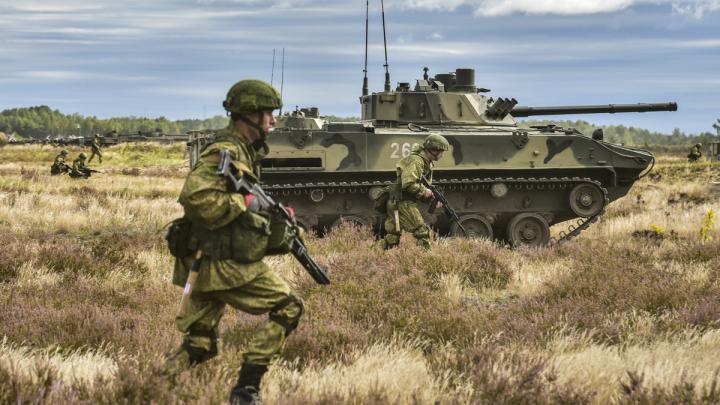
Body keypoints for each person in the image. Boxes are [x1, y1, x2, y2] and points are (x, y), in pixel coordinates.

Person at [165, 79, 303, 405]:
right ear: (248, 115)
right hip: (223, 263)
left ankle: (150, 391)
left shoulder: (243, 152)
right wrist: (245, 204)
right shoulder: (225, 151)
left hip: (204, 259)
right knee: (289, 307)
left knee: (200, 344)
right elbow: (196, 198)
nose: (273, 120)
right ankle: (246, 391)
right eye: (268, 113)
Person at [378, 134, 449, 250]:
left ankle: (369, 256)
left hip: (398, 201)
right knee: (422, 232)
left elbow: (422, 188)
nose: (442, 155)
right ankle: (426, 261)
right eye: (441, 151)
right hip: (402, 202)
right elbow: (409, 184)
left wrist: (432, 199)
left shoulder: (427, 163)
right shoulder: (416, 161)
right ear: (434, 150)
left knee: (392, 238)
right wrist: (425, 191)